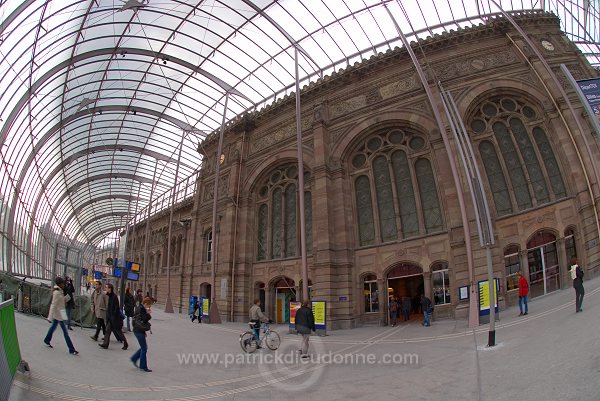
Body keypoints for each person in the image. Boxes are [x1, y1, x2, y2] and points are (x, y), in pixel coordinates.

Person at [43, 276, 79, 355]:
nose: (64, 285)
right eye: (63, 283)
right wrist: (50, 317)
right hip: (59, 314)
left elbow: (59, 302)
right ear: (59, 284)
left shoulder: (60, 291)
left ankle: (47, 339)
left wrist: (65, 299)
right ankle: (71, 349)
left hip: (60, 313)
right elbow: (53, 305)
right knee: (65, 333)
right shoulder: (57, 292)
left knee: (53, 327)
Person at [100, 283, 128, 350]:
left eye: (106, 287)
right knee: (107, 330)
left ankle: (126, 343)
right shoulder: (109, 296)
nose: (105, 289)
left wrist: (113, 316)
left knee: (118, 332)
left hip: (115, 318)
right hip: (110, 318)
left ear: (110, 289)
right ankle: (105, 344)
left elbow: (116, 308)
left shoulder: (114, 297)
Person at [130, 298, 153, 372]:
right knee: (144, 348)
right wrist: (148, 313)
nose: (149, 307)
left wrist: (144, 332)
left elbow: (140, 321)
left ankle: (134, 358)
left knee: (143, 347)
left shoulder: (139, 308)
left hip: (138, 330)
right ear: (146, 303)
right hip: (138, 330)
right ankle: (143, 366)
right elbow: (144, 319)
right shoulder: (142, 309)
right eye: (149, 305)